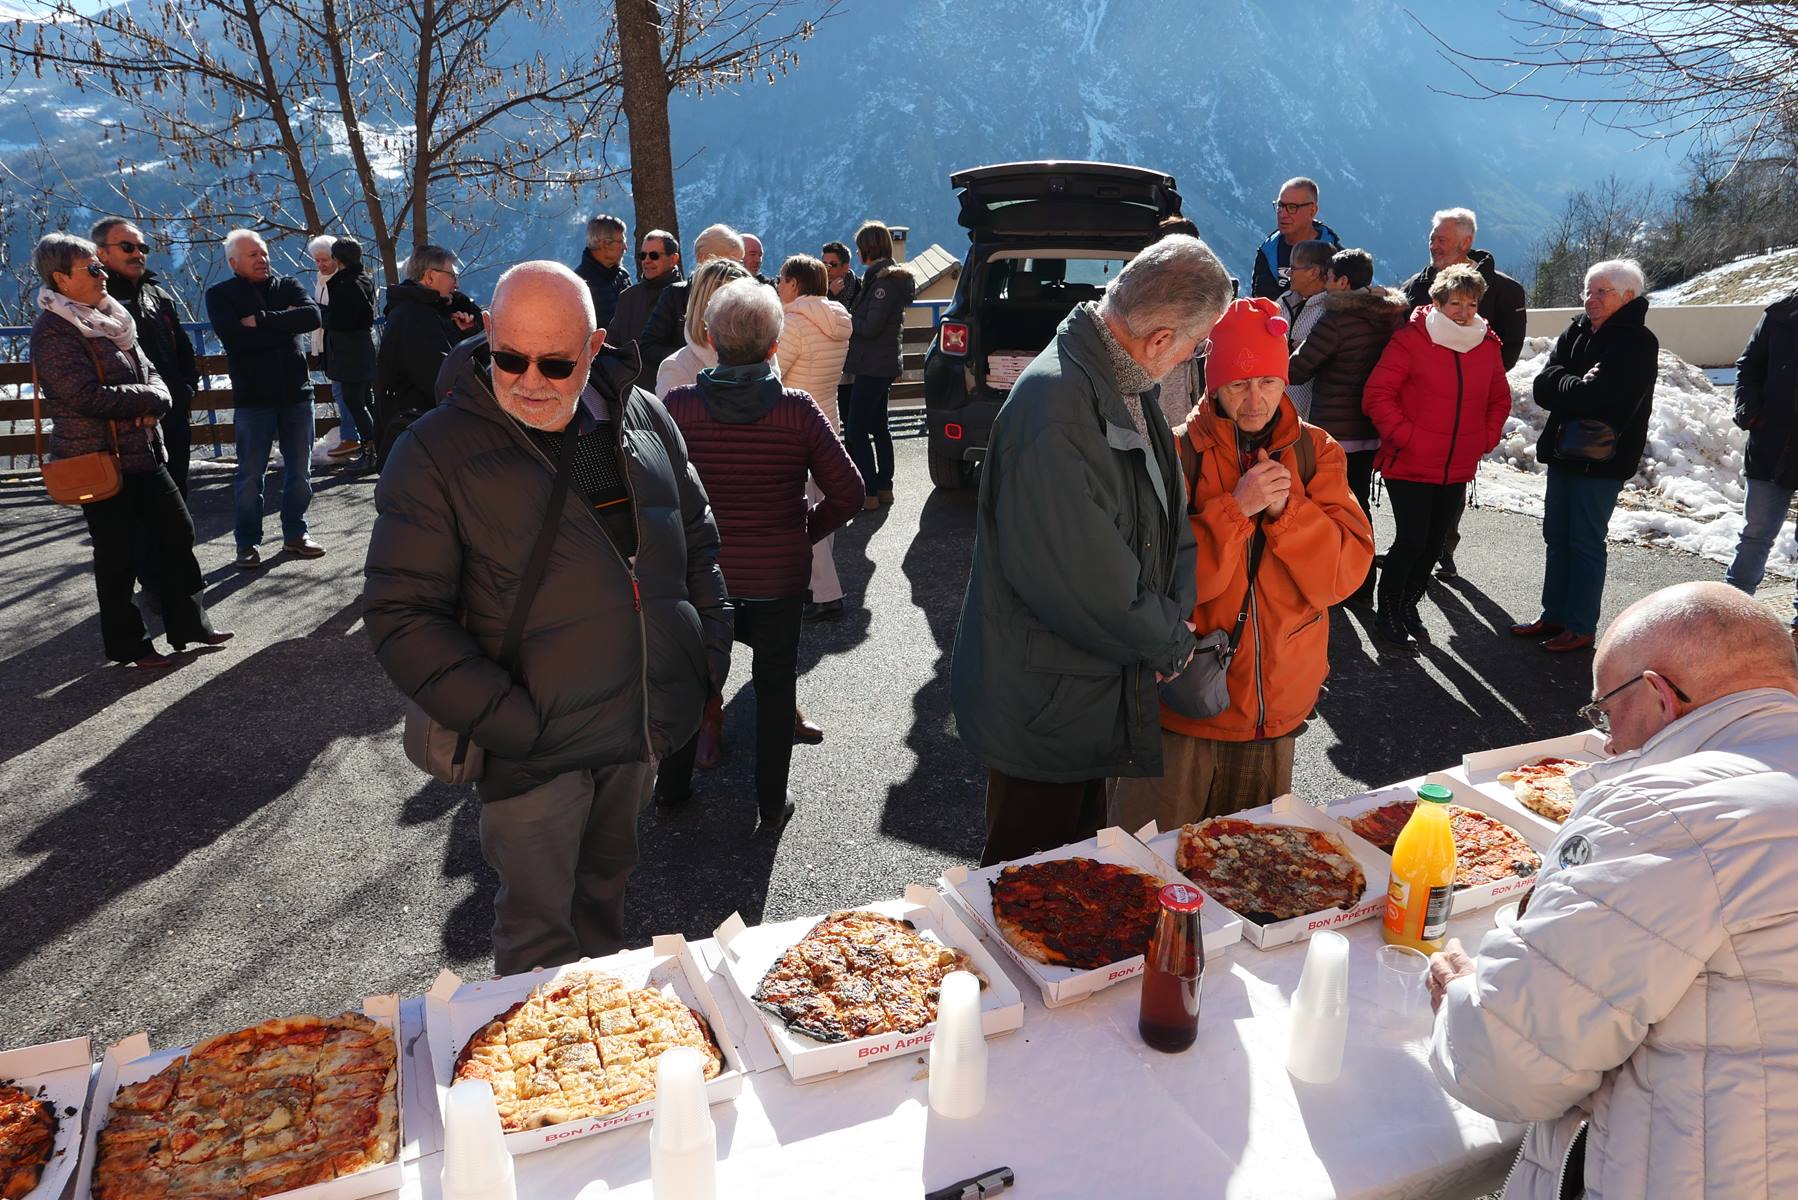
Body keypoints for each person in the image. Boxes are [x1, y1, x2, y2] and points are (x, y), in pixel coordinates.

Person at [364, 260, 729, 975]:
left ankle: (606, 1064)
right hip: (533, 755)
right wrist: (513, 723)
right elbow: (402, 614)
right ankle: (536, 1082)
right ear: (489, 334)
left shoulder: (643, 413)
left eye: (557, 363)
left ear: (594, 347)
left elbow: (697, 538)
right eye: (508, 357)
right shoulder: (435, 452)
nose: (529, 380)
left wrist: (704, 650)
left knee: (605, 913)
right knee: (537, 944)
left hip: (638, 729)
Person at [1428, 580, 1798, 1200]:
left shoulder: (1669, 810)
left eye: (1603, 711)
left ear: (1657, 695)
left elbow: (1508, 1069)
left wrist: (1465, 993)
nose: (1606, 741)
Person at [951, 235, 1232, 866]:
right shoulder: (1058, 407)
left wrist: (1175, 611)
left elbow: (1166, 513)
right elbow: (1081, 583)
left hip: (1086, 683)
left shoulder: (1116, 379)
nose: (1195, 357)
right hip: (1048, 697)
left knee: (1075, 872)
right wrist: (1170, 641)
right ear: (1161, 338)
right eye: (1196, 344)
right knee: (1031, 886)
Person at [1112, 299, 1372, 830]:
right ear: (1213, 384)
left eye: (1270, 382)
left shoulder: (1316, 453)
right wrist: (1236, 510)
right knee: (1146, 867)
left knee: (1252, 878)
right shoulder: (1176, 454)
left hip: (1274, 707)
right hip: (1184, 704)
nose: (1256, 400)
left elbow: (1342, 577)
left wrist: (1288, 512)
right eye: (1238, 384)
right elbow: (1158, 583)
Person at [656, 279, 865, 827]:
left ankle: (671, 788)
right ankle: (770, 803)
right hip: (778, 575)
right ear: (775, 346)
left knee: (692, 679)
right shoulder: (797, 411)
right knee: (775, 688)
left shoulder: (678, 407)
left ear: (710, 338)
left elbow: (656, 497)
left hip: (703, 577)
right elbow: (849, 491)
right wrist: (801, 532)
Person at [30, 233, 231, 667]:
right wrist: (146, 400)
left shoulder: (112, 315)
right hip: (97, 459)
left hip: (144, 452)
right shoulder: (54, 330)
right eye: (92, 269)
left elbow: (154, 372)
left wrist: (153, 399)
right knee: (118, 555)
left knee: (178, 533)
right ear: (61, 279)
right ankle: (130, 645)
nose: (102, 274)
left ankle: (190, 625)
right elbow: (83, 394)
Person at [1509, 259, 1658, 653]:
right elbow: (1543, 386)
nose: (1591, 299)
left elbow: (1603, 398)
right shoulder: (1577, 329)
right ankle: (1553, 614)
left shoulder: (1638, 341)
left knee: (1586, 540)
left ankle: (1581, 624)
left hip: (1603, 458)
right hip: (1564, 450)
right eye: (1588, 291)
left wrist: (1568, 385)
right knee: (1556, 535)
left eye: (1601, 292)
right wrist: (1575, 382)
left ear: (1628, 296)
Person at [1361, 262, 1511, 653]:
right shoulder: (1412, 339)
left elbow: (1499, 398)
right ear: (1438, 301)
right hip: (1410, 461)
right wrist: (1407, 437)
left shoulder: (1486, 344)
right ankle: (1387, 610)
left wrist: (1485, 436)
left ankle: (1409, 605)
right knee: (1411, 540)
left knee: (1433, 546)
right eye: (1455, 303)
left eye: (1471, 303)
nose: (1463, 311)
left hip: (1457, 463)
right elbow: (1378, 395)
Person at [1399, 207, 1529, 578]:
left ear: (1466, 242)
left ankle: (1442, 546)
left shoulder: (1503, 289)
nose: (1434, 245)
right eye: (1432, 239)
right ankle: (1415, 544)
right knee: (1417, 477)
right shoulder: (1418, 284)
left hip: (1466, 407)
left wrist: (1469, 380)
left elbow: (1509, 350)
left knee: (1452, 478)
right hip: (1419, 405)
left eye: (1442, 240)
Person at [1288, 247, 1408, 602]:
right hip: (1371, 428)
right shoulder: (1390, 316)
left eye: (1328, 278)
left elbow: (1297, 369)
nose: (1326, 286)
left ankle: (1347, 582)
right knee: (1360, 507)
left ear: (1342, 281)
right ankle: (1363, 583)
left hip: (1336, 431)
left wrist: (1289, 347)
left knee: (1334, 507)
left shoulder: (1336, 320)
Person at [204, 229, 325, 568]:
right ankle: (246, 542)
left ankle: (295, 534)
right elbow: (236, 339)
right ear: (233, 263)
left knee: (300, 472)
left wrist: (260, 321)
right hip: (253, 400)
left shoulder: (287, 285)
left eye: (264, 253)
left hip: (297, 396)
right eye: (253, 255)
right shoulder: (220, 295)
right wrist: (284, 326)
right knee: (250, 476)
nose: (263, 259)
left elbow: (312, 317)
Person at [92, 217, 199, 497]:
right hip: (126, 424)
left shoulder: (157, 293)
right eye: (127, 246)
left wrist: (186, 388)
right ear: (102, 253)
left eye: (142, 247)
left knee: (177, 501)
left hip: (172, 412)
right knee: (135, 508)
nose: (138, 254)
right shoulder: (93, 298)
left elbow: (184, 347)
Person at [774, 254, 854, 622]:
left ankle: (825, 591)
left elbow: (774, 374)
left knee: (803, 510)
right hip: (829, 419)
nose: (777, 286)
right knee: (823, 505)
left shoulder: (793, 323)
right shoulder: (838, 320)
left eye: (780, 279)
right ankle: (819, 586)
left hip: (794, 425)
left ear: (794, 284)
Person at [1723, 286, 1798, 641]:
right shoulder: (1779, 314)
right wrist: (1749, 412)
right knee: (1755, 534)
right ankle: (1734, 614)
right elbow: (1748, 367)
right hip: (1773, 443)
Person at [373, 244, 478, 470]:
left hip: (421, 436)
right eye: (452, 276)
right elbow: (439, 378)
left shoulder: (425, 311)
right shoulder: (413, 316)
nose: (457, 284)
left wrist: (466, 333)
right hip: (418, 441)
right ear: (430, 277)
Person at [843, 220, 915, 511]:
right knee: (879, 427)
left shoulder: (882, 284)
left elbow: (871, 326)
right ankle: (884, 488)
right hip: (882, 364)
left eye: (860, 248)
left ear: (867, 250)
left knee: (856, 431)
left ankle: (870, 490)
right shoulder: (886, 279)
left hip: (872, 365)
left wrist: (845, 318)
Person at [638, 223, 745, 378]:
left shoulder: (744, 298)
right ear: (703, 258)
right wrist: (691, 357)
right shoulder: (676, 296)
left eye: (739, 262)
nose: (736, 269)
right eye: (730, 261)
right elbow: (648, 347)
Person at [653, 258, 751, 401]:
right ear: (708, 306)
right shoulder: (677, 368)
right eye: (734, 304)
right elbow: (667, 423)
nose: (745, 312)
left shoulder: (761, 354)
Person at [321, 237, 378, 469]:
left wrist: (320, 314)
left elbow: (342, 320)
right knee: (366, 401)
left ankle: (372, 452)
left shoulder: (345, 284)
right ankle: (377, 449)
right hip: (363, 348)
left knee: (355, 402)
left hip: (349, 352)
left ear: (338, 260)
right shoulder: (363, 279)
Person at [1249, 177, 1341, 301]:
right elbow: (1260, 302)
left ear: (1312, 210)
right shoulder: (1268, 252)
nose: (1282, 213)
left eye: (1292, 207)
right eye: (1280, 205)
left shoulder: (1336, 256)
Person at [610, 229, 681, 379]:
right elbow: (613, 346)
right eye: (642, 256)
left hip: (674, 389)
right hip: (632, 392)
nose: (646, 261)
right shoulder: (627, 298)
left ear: (673, 259)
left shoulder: (687, 296)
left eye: (654, 255)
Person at [1276, 239, 1334, 419]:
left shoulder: (1329, 309)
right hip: (1274, 403)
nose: (1288, 274)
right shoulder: (1284, 300)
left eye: (1293, 269)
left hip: (1308, 411)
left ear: (1313, 272)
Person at [573, 214, 630, 332]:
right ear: (604, 244)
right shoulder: (579, 284)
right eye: (621, 241)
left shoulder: (622, 276)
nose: (625, 247)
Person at [822, 240, 860, 308]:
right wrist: (830, 295)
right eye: (825, 265)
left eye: (833, 264)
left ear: (845, 267)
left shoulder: (861, 289)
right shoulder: (815, 289)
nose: (828, 269)